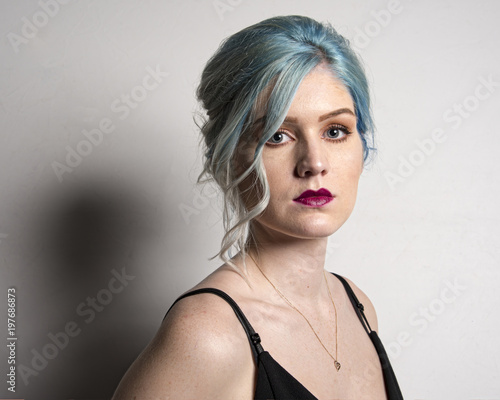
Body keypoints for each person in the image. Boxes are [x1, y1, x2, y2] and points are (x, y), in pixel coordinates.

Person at [112, 15, 403, 400]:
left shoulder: (358, 306)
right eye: (277, 135)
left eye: (335, 131)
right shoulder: (206, 335)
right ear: (230, 157)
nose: (314, 162)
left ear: (361, 147)